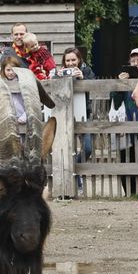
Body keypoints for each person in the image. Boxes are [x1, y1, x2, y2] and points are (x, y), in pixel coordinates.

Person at [53, 47, 95, 195]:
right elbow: (51, 89)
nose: (70, 63)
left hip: (83, 114)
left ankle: (74, 168)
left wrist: (82, 78)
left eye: (73, 60)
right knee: (64, 150)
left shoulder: (86, 71)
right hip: (64, 116)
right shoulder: (59, 72)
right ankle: (74, 182)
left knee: (87, 148)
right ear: (64, 62)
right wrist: (57, 77)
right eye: (68, 60)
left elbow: (94, 86)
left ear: (79, 60)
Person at [114, 48, 138, 195]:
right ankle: (130, 192)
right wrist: (120, 85)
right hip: (127, 126)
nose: (136, 63)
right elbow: (115, 103)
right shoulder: (125, 81)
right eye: (133, 61)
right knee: (126, 157)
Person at [1, 55, 28, 123]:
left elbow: (28, 102)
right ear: (3, 70)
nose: (11, 72)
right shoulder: (1, 83)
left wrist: (24, 116)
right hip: (7, 119)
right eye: (8, 70)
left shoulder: (22, 82)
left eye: (13, 70)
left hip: (22, 118)